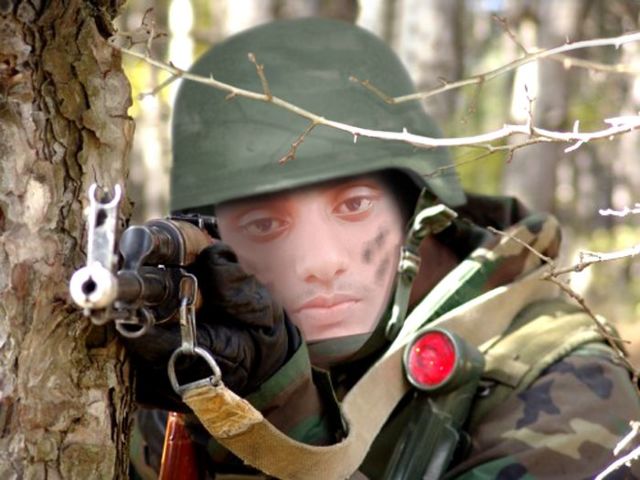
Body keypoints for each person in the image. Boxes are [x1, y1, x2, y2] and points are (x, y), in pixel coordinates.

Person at [127, 18, 640, 479]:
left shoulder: (568, 384)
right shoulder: (230, 352)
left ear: (419, 209)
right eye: (265, 224)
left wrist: (281, 410)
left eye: (353, 206)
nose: (320, 262)